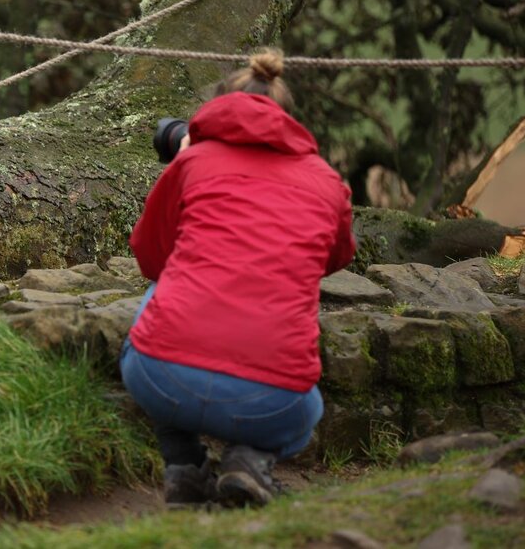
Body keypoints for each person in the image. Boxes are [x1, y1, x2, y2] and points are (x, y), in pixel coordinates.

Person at [121, 49, 355, 509]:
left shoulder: (192, 163)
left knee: (162, 292)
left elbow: (151, 257)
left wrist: (188, 162)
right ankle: (248, 461)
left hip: (159, 377)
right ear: (287, 118)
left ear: (216, 107)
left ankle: (183, 468)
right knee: (309, 411)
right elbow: (336, 256)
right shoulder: (328, 182)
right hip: (275, 404)